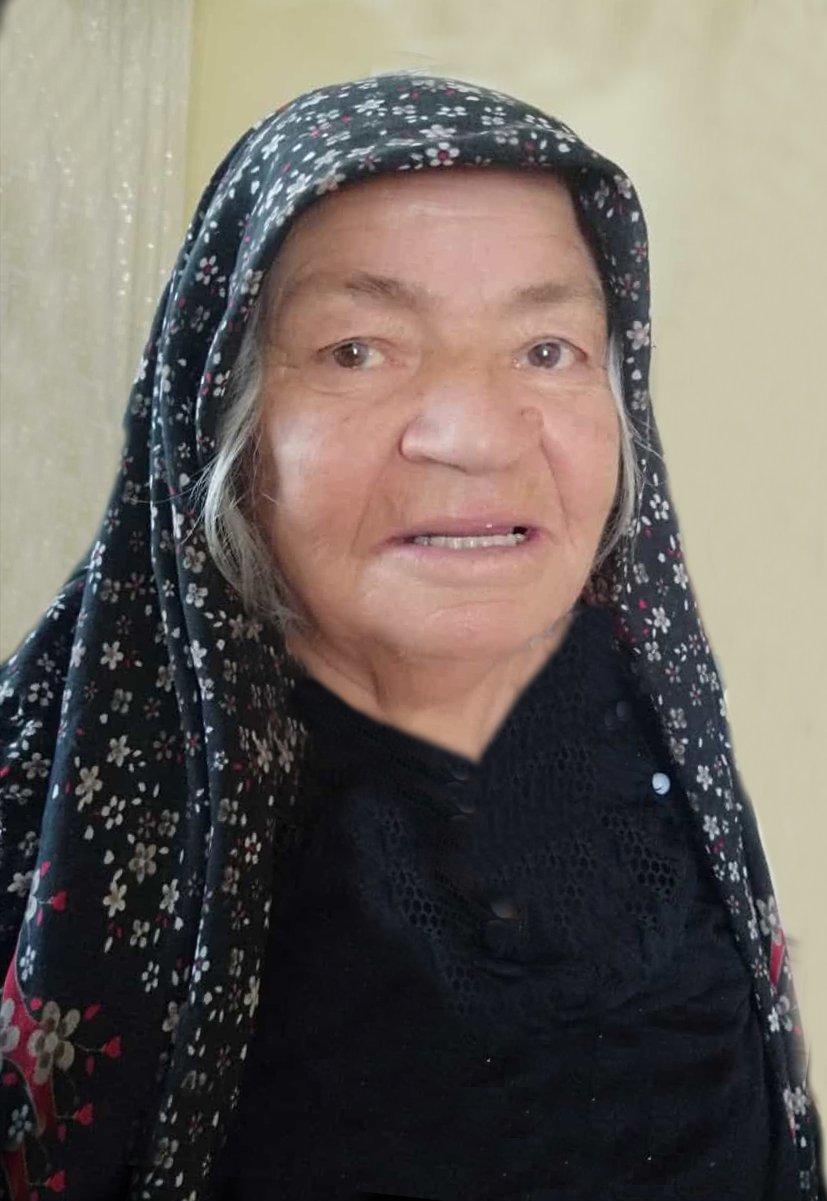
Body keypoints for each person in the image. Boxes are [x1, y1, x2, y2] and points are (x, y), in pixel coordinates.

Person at [0, 70, 823, 1201]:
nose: (473, 436)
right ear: (222, 421)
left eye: (546, 349)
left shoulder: (649, 744)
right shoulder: (62, 821)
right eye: (358, 350)